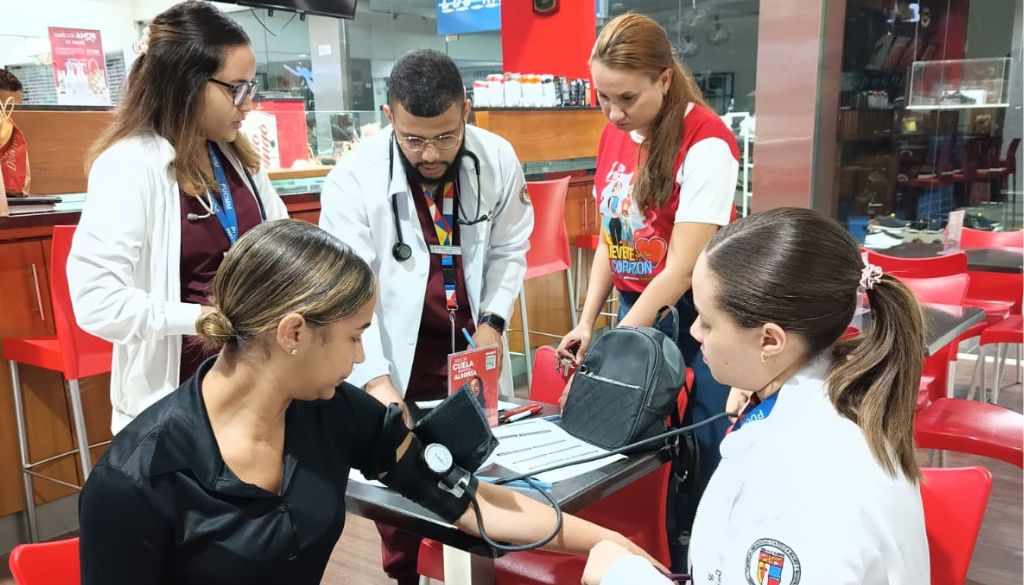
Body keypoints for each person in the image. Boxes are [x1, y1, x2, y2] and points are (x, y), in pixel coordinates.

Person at [78, 219, 656, 585]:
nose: (360, 359)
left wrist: (612, 543)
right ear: (294, 333)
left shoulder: (330, 411)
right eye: (355, 336)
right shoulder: (136, 481)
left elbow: (465, 499)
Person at [580, 207, 930, 585]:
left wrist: (622, 576)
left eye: (708, 321)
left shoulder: (804, 480)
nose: (695, 332)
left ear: (770, 340)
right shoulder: (823, 395)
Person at [319, 48, 533, 584]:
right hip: (393, 353)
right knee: (402, 484)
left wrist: (493, 322)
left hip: (468, 346)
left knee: (477, 473)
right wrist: (378, 385)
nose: (430, 152)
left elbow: (510, 249)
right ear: (390, 117)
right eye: (413, 139)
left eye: (444, 136)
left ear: (466, 109)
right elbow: (344, 291)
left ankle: (479, 570)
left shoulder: (497, 158)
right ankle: (406, 576)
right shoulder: (353, 180)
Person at [556, 13, 739, 569]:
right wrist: (588, 323)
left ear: (664, 79)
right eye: (602, 97)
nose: (613, 113)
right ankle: (652, 548)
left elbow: (683, 270)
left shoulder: (707, 142)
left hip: (697, 311)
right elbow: (614, 241)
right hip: (637, 305)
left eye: (626, 98)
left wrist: (615, 344)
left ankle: (705, 560)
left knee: (704, 439)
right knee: (634, 437)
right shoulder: (616, 130)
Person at [67, 1, 288, 434]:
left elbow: (282, 243)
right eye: (236, 88)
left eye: (252, 87)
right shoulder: (130, 165)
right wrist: (201, 318)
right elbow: (96, 302)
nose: (249, 104)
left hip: (255, 386)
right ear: (187, 84)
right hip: (180, 399)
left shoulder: (236, 158)